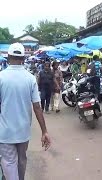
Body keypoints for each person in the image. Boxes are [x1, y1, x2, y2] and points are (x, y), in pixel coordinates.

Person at [0, 43, 51, 180]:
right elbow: (37, 107)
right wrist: (44, 131)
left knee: (9, 163)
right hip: (23, 132)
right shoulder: (30, 79)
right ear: (23, 58)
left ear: (8, 57)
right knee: (22, 161)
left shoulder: (1, 77)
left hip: (5, 133)